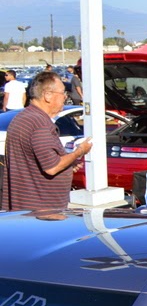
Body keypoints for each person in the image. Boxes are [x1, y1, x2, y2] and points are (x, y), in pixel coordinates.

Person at [2, 71, 93, 211]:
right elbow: (52, 167)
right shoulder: (39, 124)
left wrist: (67, 164)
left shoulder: (24, 118)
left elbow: (37, 160)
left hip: (26, 208)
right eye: (62, 93)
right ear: (47, 95)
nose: (65, 97)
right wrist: (80, 151)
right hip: (42, 212)